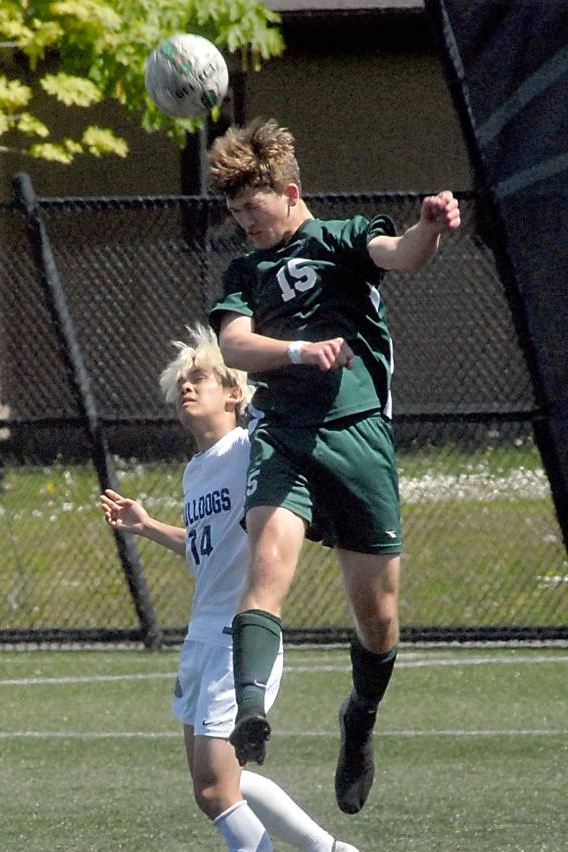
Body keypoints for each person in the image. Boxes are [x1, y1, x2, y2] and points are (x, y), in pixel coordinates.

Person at [207, 118, 461, 814]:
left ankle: (358, 720)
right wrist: (296, 353)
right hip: (284, 435)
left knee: (377, 621)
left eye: (251, 213)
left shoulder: (341, 238)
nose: (244, 226)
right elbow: (233, 345)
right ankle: (251, 714)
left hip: (356, 438)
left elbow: (401, 253)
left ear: (290, 193)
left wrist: (430, 226)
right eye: (233, 216)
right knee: (265, 570)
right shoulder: (243, 271)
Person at [101, 325, 363, 852]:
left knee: (215, 787)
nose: (187, 387)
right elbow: (208, 553)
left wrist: (306, 352)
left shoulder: (254, 447)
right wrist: (150, 526)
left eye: (202, 378)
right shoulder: (198, 471)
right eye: (181, 382)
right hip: (202, 637)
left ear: (235, 393)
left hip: (238, 638)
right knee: (223, 779)